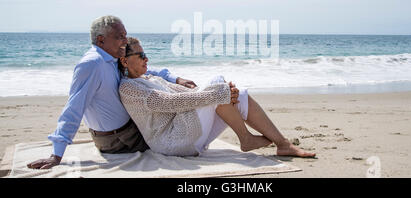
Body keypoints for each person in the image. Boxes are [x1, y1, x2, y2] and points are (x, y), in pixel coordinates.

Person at [27, 16, 196, 170]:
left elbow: (144, 69)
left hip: (124, 133)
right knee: (180, 122)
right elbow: (74, 108)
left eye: (125, 35)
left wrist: (175, 78)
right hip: (120, 140)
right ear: (101, 39)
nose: (125, 41)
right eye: (120, 37)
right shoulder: (92, 64)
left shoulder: (111, 58)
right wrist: (56, 155)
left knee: (169, 104)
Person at [118, 37, 316, 158]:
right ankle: (245, 138)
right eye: (141, 55)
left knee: (240, 93)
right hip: (170, 142)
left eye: (146, 54)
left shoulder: (151, 78)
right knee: (217, 87)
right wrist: (218, 93)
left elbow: (184, 94)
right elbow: (167, 103)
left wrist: (223, 93)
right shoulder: (128, 88)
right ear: (125, 61)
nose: (147, 58)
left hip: (184, 131)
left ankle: (284, 145)